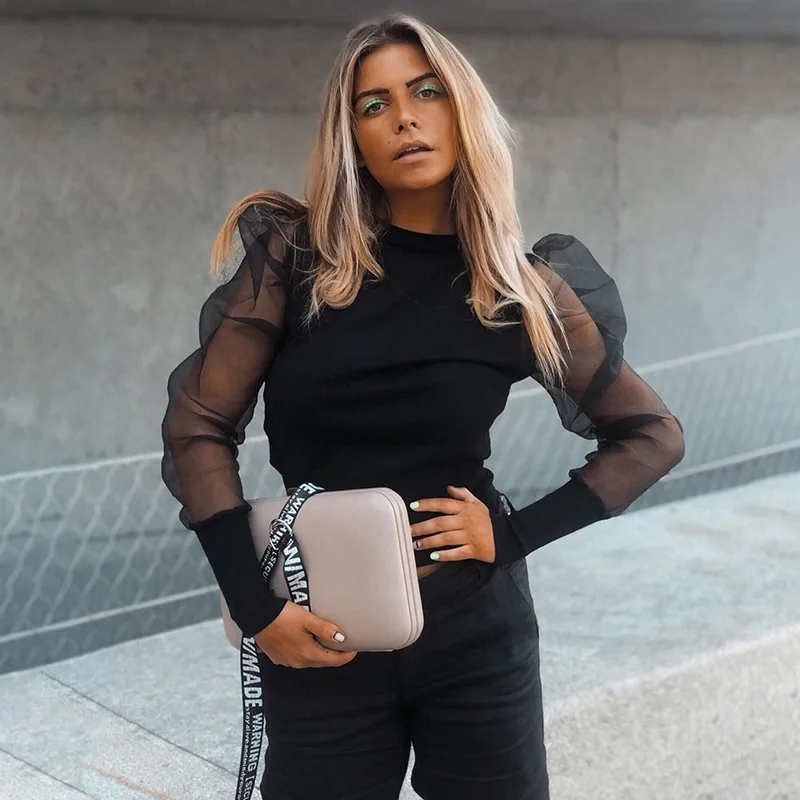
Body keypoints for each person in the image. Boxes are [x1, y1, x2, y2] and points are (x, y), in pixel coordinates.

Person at [160, 13, 685, 800]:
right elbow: (197, 425)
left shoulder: (518, 287)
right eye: (374, 105)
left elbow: (651, 435)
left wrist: (513, 535)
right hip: (323, 628)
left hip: (478, 637)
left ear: (463, 109)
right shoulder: (297, 261)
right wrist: (254, 608)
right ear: (353, 139)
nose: (404, 118)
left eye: (426, 92)